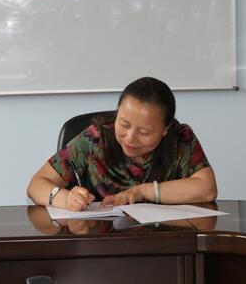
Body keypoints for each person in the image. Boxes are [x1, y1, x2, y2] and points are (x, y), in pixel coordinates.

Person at [27, 77, 217, 211]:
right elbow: (37, 184)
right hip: (99, 242)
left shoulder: (180, 138)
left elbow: (207, 189)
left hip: (163, 242)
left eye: (144, 132)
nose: (130, 137)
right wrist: (65, 198)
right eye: (124, 124)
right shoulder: (96, 138)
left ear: (165, 129)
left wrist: (142, 192)